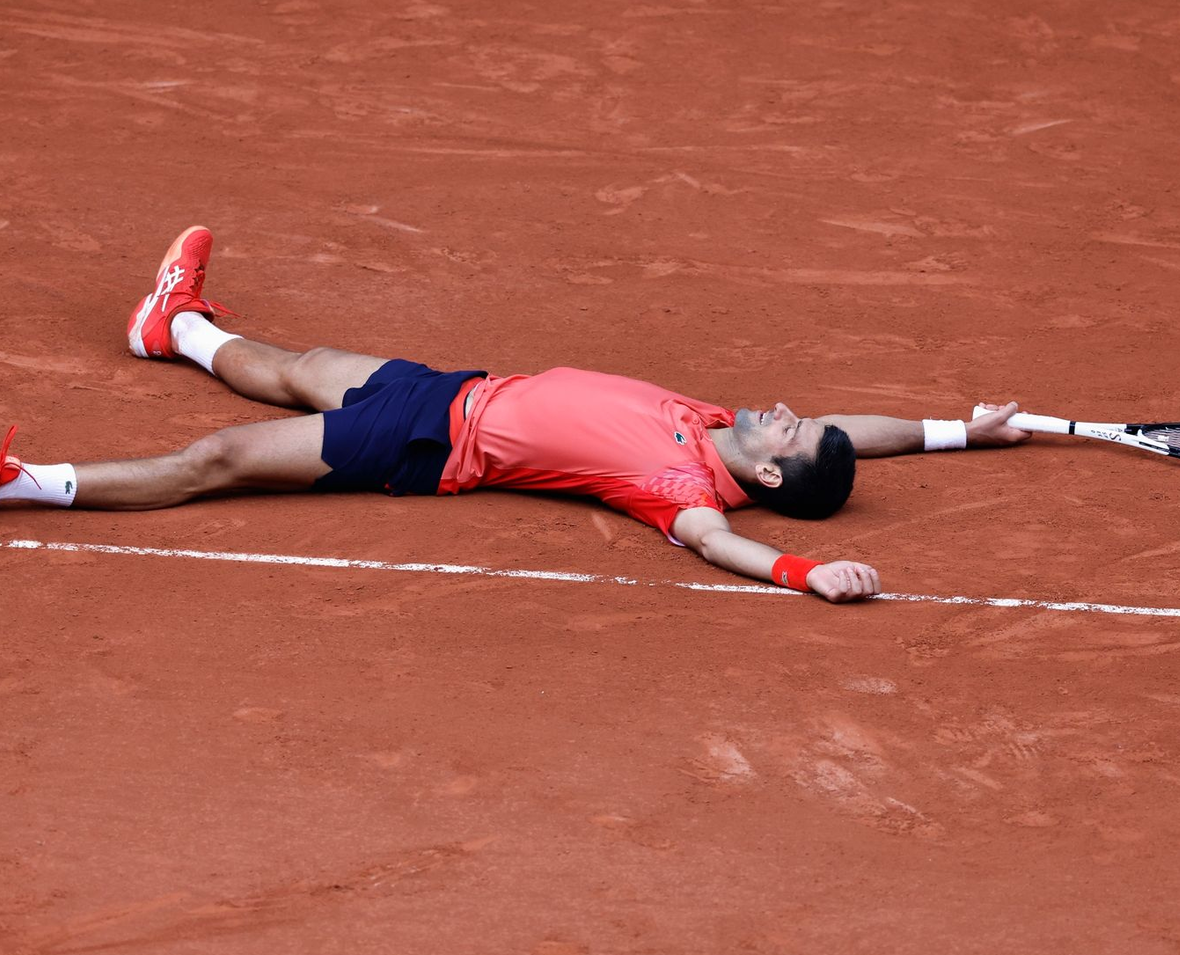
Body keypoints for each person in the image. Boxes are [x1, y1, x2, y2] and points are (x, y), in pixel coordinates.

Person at [1, 227, 1030, 604]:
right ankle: (170, 325)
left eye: (792, 434)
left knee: (220, 457)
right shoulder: (715, 419)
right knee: (298, 363)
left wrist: (809, 572)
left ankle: (26, 483)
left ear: (766, 476)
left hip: (422, 444)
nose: (793, 411)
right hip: (452, 387)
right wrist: (961, 431)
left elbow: (721, 549)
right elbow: (860, 426)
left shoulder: (680, 487)